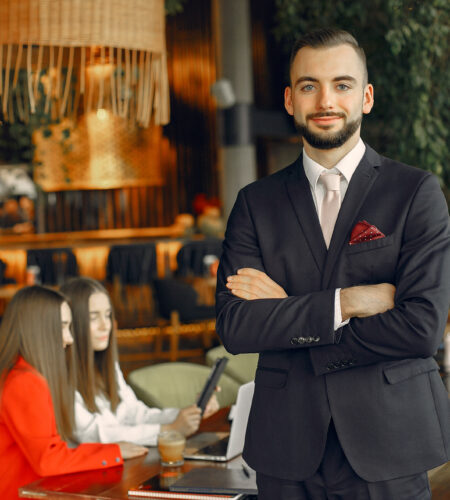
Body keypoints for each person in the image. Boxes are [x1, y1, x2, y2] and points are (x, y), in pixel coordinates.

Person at [216, 28, 450, 500]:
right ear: (289, 99)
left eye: (342, 85)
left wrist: (291, 312)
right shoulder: (254, 203)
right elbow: (237, 326)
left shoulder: (415, 193)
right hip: (286, 447)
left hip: (390, 440)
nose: (326, 99)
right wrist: (350, 301)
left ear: (365, 97)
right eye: (309, 86)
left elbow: (421, 328)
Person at [0, 286, 147, 500]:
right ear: (39, 329)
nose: (69, 339)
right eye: (63, 327)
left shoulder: (17, 372)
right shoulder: (24, 380)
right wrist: (113, 452)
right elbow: (47, 459)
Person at [61, 277, 219, 447]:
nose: (105, 325)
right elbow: (92, 435)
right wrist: (168, 429)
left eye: (107, 316)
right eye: (93, 318)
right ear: (71, 323)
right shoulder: (60, 375)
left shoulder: (106, 366)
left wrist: (186, 415)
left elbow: (135, 414)